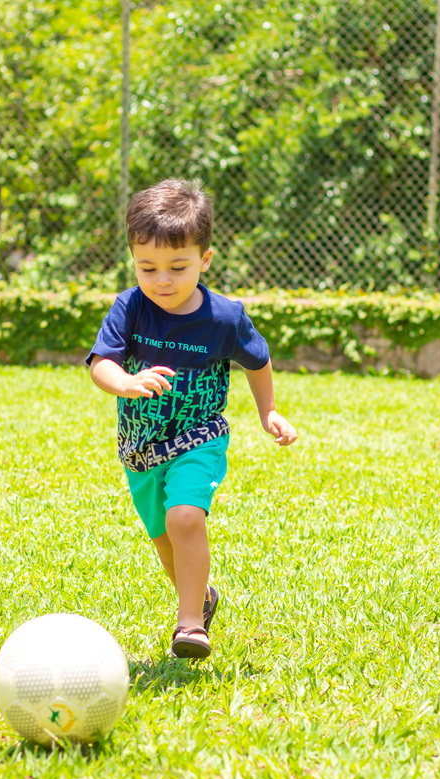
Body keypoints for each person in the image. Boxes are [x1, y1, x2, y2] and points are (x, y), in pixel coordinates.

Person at [86, 178, 298, 660]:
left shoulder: (223, 318)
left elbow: (257, 360)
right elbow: (101, 363)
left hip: (198, 437)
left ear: (204, 260)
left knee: (185, 518)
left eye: (177, 267)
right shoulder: (130, 307)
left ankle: (189, 627)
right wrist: (124, 382)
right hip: (141, 446)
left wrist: (268, 411)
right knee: (164, 539)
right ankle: (201, 598)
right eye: (148, 267)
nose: (162, 280)